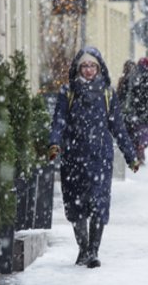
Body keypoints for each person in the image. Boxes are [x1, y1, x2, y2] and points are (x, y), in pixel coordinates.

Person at [48, 46, 140, 269]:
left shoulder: (107, 93)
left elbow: (117, 126)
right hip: (73, 157)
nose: (88, 70)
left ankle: (93, 251)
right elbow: (59, 120)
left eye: (92, 66)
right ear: (78, 68)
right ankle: (83, 248)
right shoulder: (68, 92)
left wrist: (130, 156)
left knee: (99, 204)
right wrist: (54, 143)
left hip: (100, 157)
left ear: (99, 68)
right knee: (76, 205)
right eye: (85, 66)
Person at [122, 57, 148, 164]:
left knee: (136, 133)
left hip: (136, 112)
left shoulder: (133, 77)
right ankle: (140, 151)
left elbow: (129, 94)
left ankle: (138, 152)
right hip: (146, 112)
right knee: (142, 133)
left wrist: (129, 108)